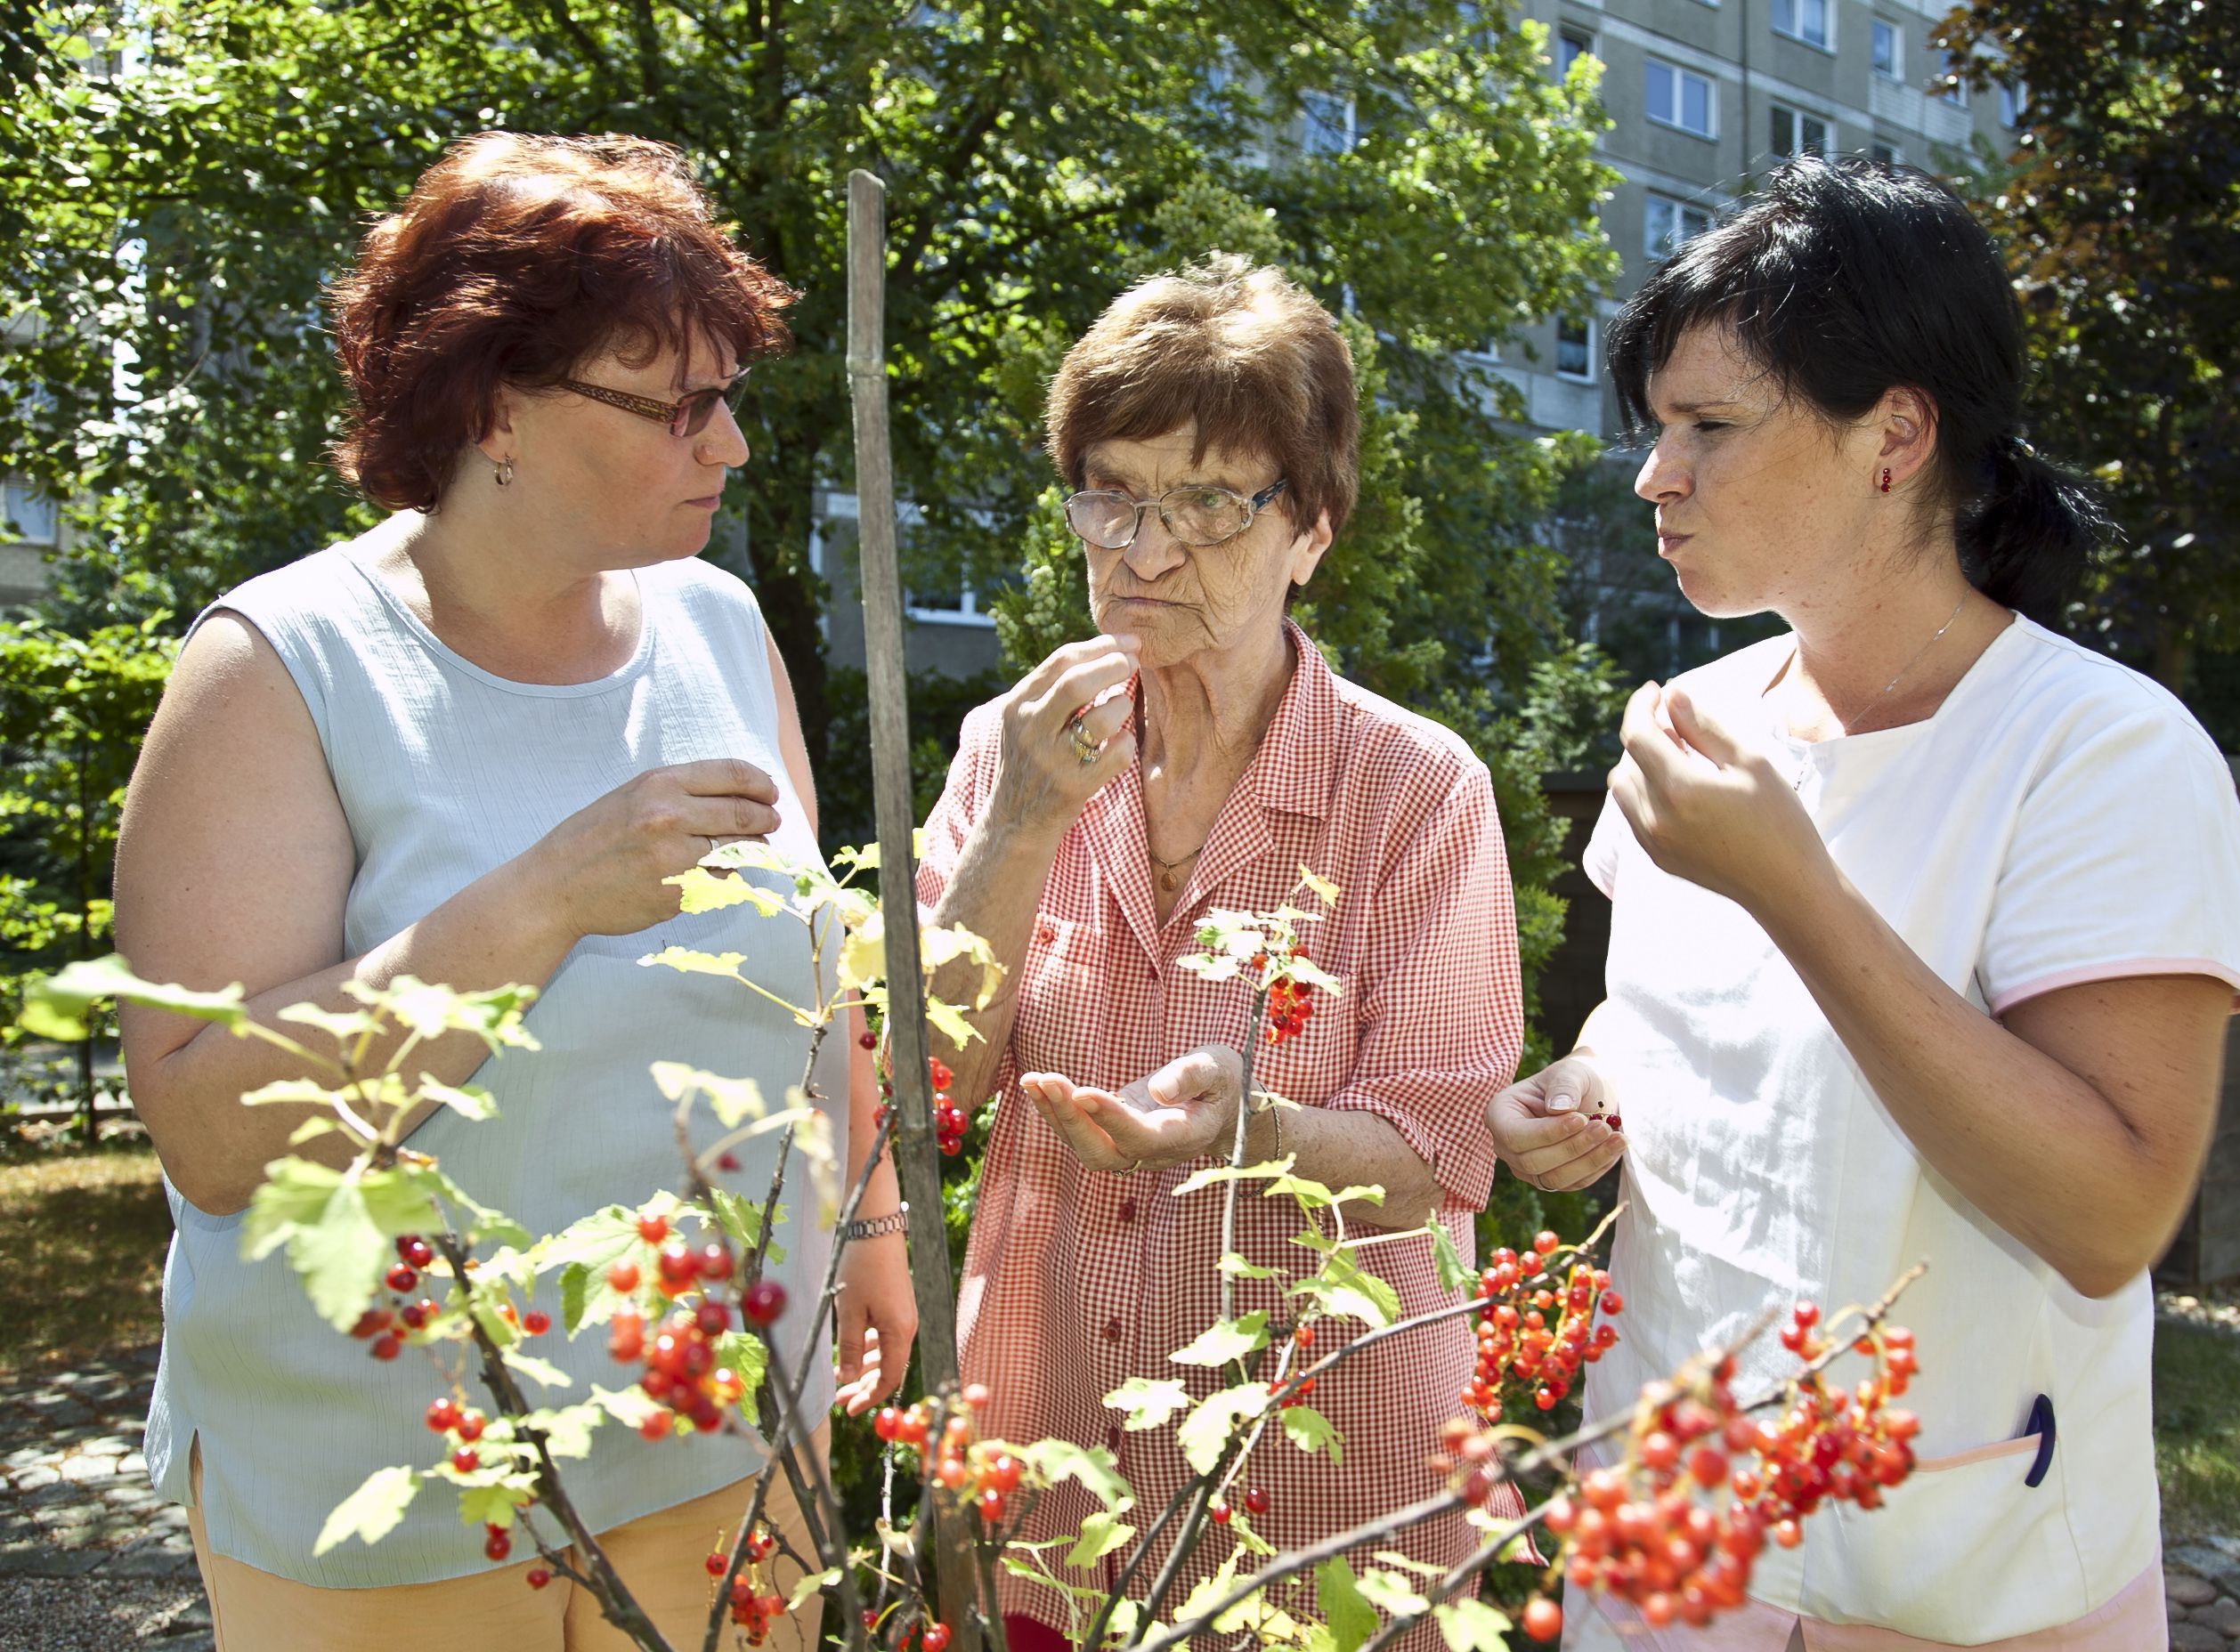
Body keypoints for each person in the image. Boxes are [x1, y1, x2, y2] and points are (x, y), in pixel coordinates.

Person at [112, 133, 913, 1650]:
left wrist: (866, 1222)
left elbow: (819, 978)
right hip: (409, 1505)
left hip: (735, 1454)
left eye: (726, 395)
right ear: (491, 408)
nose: (729, 445)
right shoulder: (282, 671)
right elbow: (215, 1134)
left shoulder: (719, 628)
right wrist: (545, 895)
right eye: (675, 404)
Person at [1489, 158, 2240, 1651]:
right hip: (1666, 1542)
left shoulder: (2101, 754)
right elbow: (1659, 1024)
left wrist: (1799, 894)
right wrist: (1584, 1083)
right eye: (1659, 429)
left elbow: (2113, 1212)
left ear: (1895, 434)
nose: (1658, 474)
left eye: (1709, 427)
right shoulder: (1694, 722)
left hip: (1956, 1579)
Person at [915, 255, 1522, 1648]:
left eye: (1206, 503)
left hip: (1321, 1494)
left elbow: (1436, 1147)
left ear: (1309, 529)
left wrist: (1252, 1132)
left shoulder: (1412, 791)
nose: (1142, 549)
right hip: (1048, 1469)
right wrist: (1018, 826)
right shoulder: (1012, 756)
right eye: (1112, 494)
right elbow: (926, 1084)